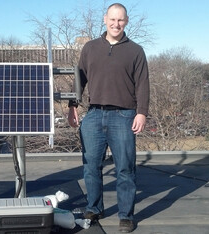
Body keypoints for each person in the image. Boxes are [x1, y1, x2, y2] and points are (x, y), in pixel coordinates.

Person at [68, 3, 149, 233]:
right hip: (93, 115)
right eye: (112, 19)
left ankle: (126, 216)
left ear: (127, 21)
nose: (116, 24)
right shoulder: (90, 48)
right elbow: (79, 79)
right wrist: (73, 105)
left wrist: (141, 112)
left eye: (120, 20)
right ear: (105, 19)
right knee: (91, 166)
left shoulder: (135, 51)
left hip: (124, 115)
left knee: (125, 168)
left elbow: (143, 84)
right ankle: (94, 207)